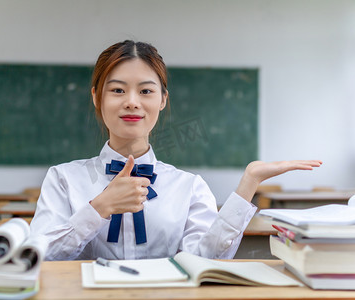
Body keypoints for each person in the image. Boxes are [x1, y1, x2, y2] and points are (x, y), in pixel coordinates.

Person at [30, 40, 322, 261]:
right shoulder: (63, 179)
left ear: (162, 100)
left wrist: (248, 185)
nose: (132, 102)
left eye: (146, 91)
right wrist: (99, 207)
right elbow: (38, 257)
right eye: (117, 90)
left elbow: (205, 261)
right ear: (96, 97)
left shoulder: (189, 187)